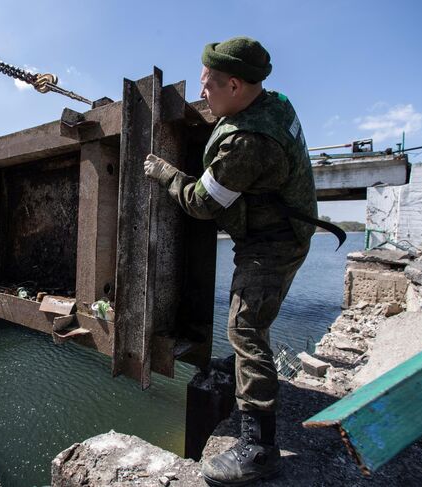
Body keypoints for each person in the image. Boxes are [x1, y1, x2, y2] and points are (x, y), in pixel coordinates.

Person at [144, 37, 337, 485]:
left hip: (273, 243)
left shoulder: (246, 143)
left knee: (245, 327)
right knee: (251, 324)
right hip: (283, 230)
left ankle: (259, 447)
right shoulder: (273, 103)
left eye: (209, 85)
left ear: (235, 84)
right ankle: (245, 384)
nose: (203, 92)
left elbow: (201, 203)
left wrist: (167, 174)